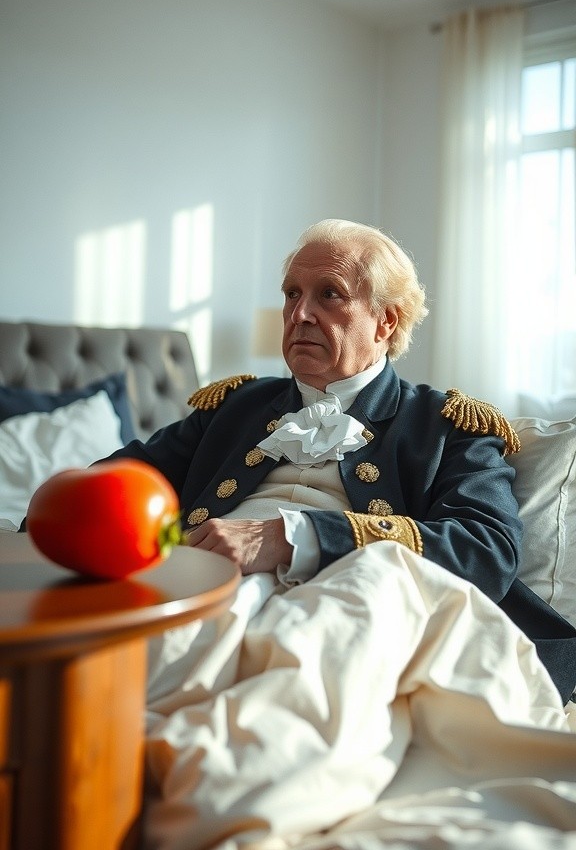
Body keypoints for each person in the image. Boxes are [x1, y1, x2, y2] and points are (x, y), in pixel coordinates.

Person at [109, 218, 576, 705]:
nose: (299, 314)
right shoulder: (235, 406)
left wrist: (290, 539)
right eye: (292, 294)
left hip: (350, 604)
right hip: (203, 589)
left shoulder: (446, 424)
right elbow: (116, 481)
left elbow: (485, 551)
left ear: (386, 321)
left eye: (329, 294)